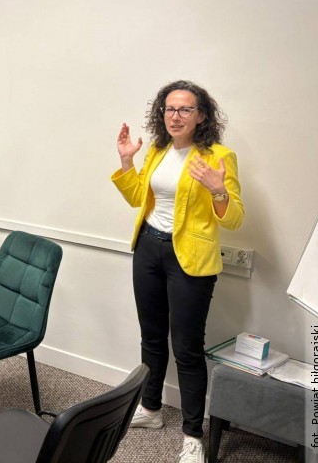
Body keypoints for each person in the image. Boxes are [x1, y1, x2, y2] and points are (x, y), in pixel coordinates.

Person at [112, 80, 244, 463]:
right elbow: (138, 197)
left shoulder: (219, 156)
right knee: (151, 336)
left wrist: (218, 190)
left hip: (190, 258)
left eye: (185, 109)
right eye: (170, 108)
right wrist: (127, 162)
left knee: (187, 347)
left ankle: (192, 435)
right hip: (148, 248)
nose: (176, 116)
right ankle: (151, 408)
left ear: (201, 116)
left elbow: (234, 218)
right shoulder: (157, 150)